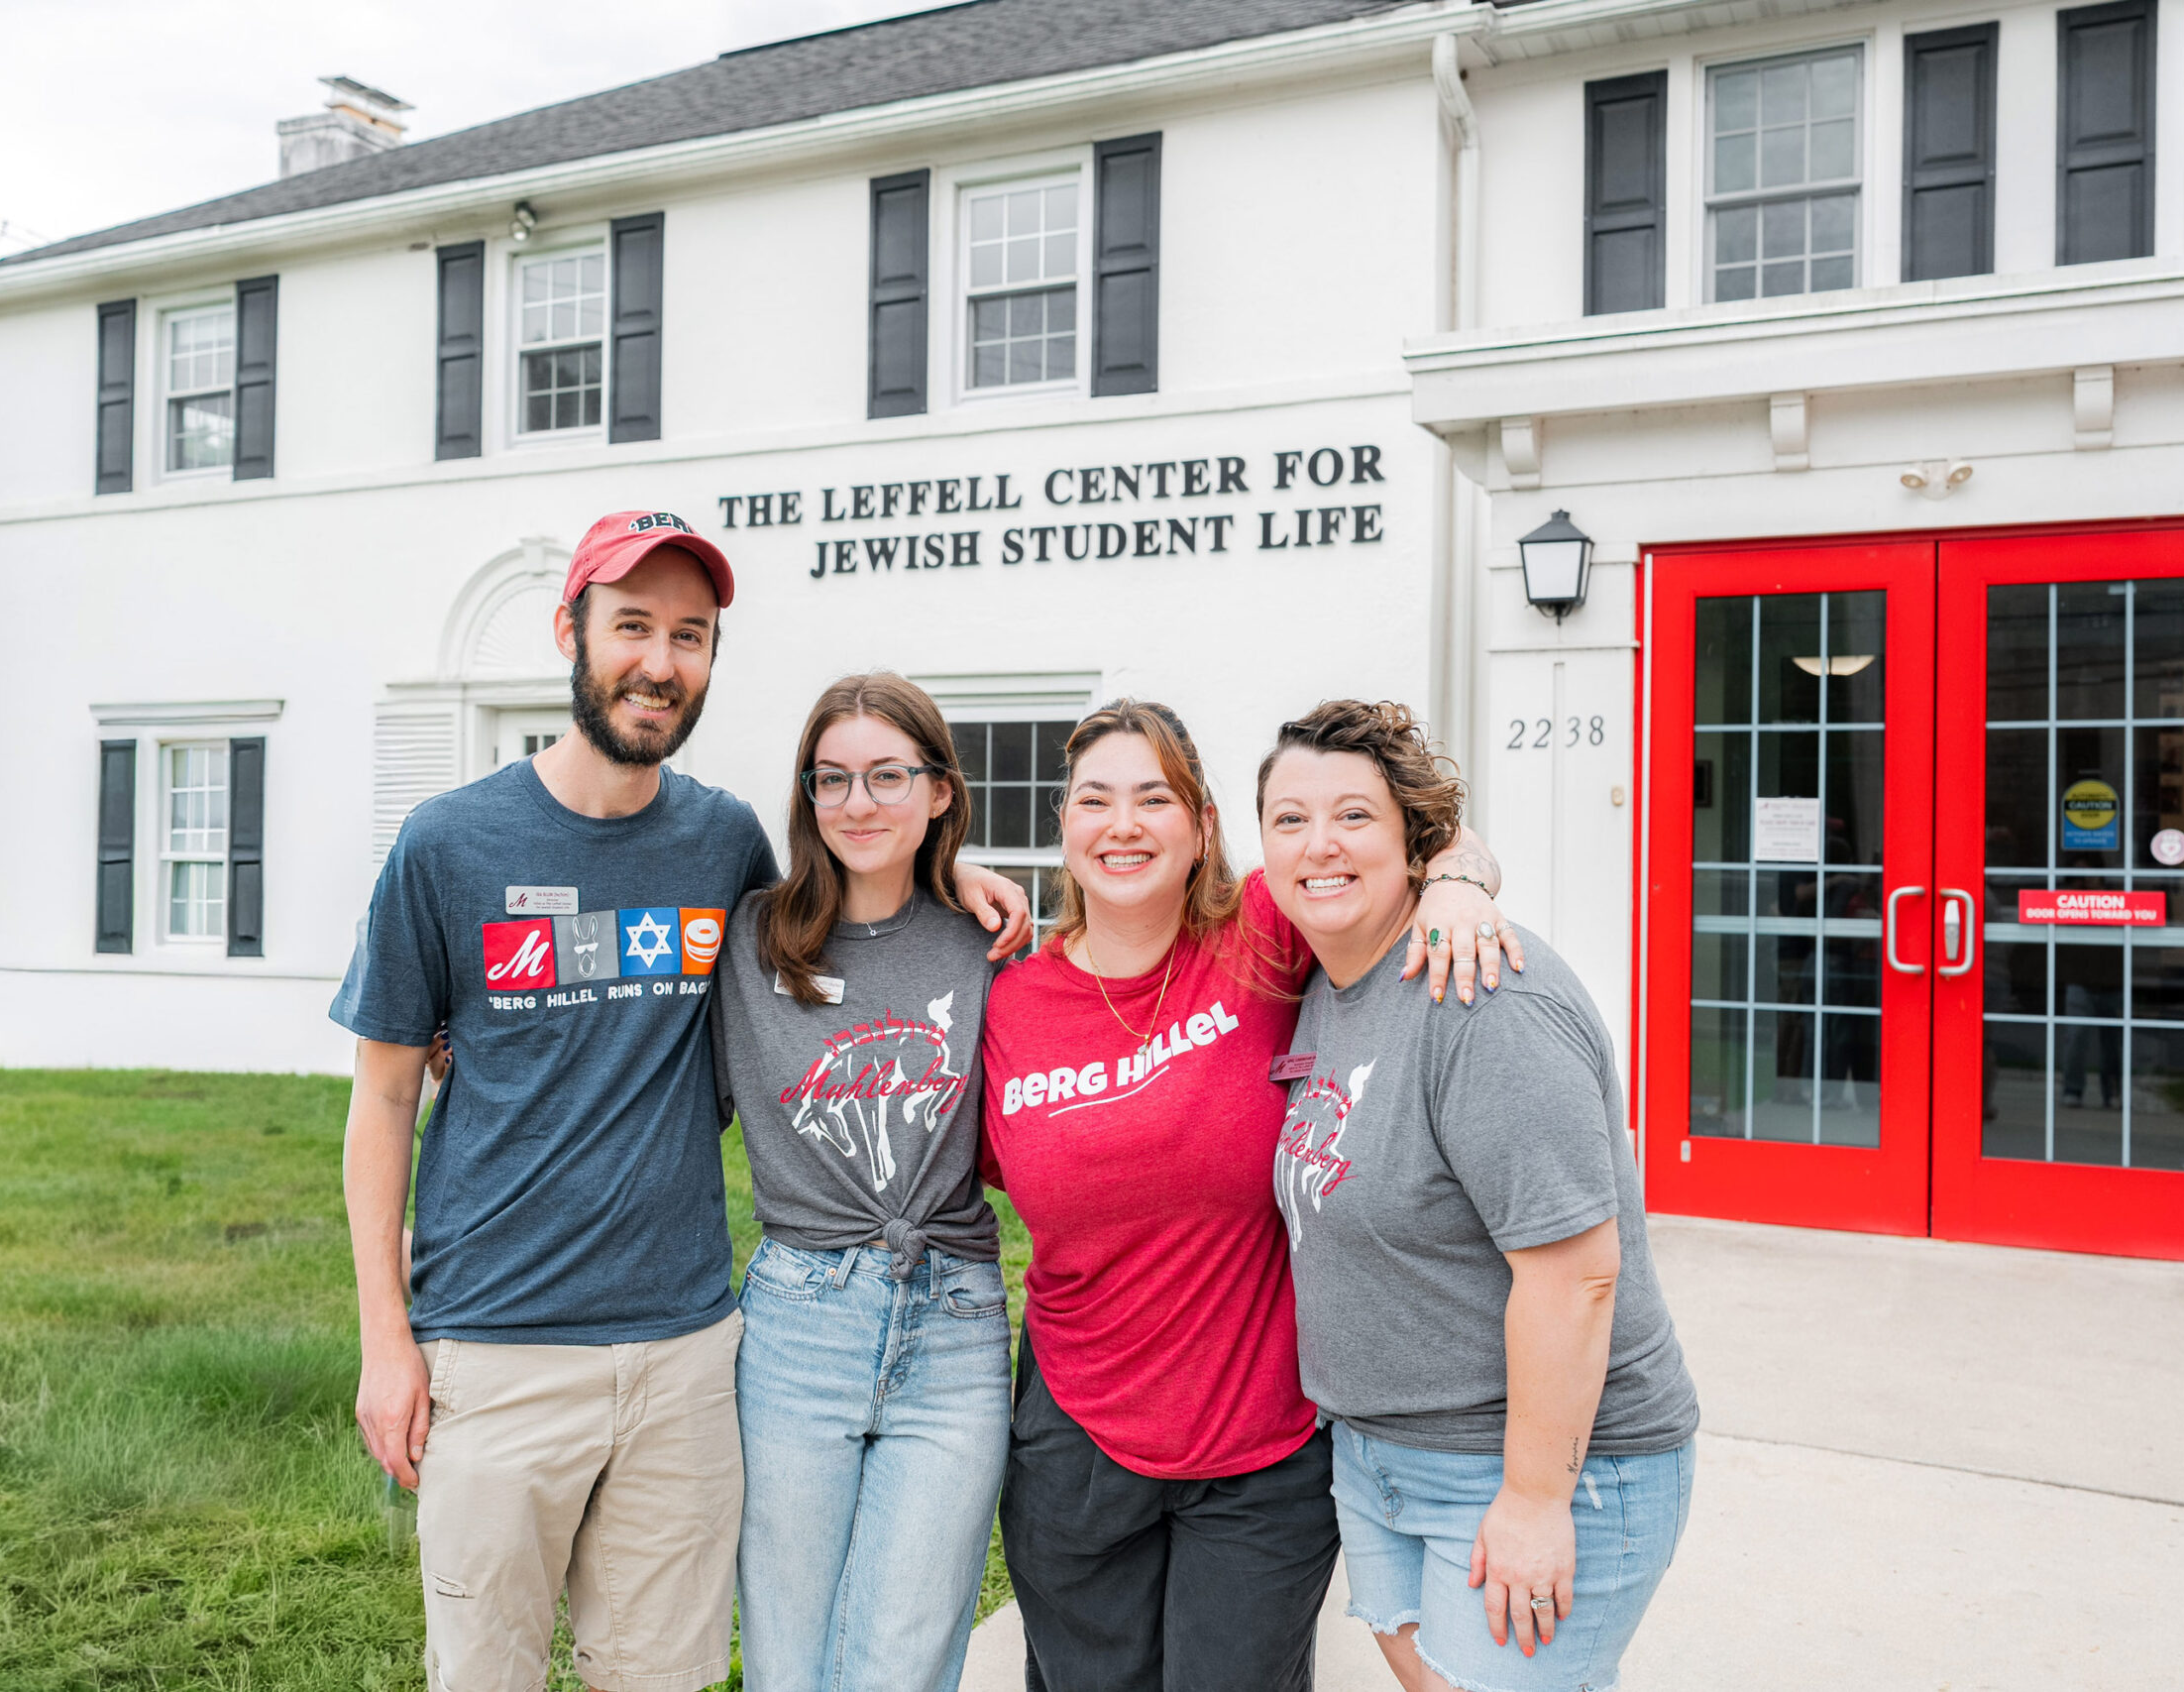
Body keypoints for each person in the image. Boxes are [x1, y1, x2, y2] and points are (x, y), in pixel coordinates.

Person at [333, 512, 1030, 1692]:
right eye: (633, 627)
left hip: (688, 1353)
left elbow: (830, 950)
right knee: (485, 1672)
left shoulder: (721, 843)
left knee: (662, 1674)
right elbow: (385, 1098)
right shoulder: (446, 845)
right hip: (496, 1347)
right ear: (571, 631)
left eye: (691, 636)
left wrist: (942, 866)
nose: (661, 661)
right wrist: (385, 1342)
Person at [980, 699, 1519, 1692]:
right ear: (1064, 829)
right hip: (1076, 1437)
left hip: (1261, 1448)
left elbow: (1434, 843)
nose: (1124, 822)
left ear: (1202, 830)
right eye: (1094, 799)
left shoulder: (1263, 935)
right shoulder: (1007, 1003)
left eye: (1155, 797)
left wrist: (1453, 887)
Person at [1256, 700, 1697, 1692]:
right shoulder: (1335, 974)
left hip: (1539, 1470)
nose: (1318, 844)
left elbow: (1577, 1277)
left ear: (1414, 840)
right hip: (1380, 1457)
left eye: (1353, 816)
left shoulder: (1483, 994)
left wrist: (1536, 1500)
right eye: (1289, 819)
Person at [710, 672, 1010, 1692]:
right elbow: (633, 1072)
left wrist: (1455, 867)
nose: (857, 803)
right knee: (789, 1659)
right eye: (831, 779)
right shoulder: (748, 944)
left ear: (938, 792)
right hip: (800, 1320)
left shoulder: (994, 945)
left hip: (956, 1324)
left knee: (905, 1659)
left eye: (888, 776)